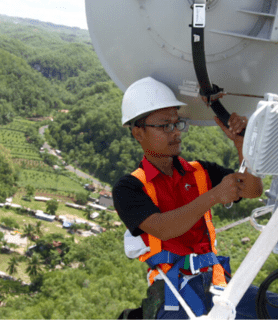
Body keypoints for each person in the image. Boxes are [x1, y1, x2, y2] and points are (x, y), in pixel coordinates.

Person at [112, 77, 263, 319]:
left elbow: (253, 190)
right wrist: (214, 195)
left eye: (177, 123)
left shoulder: (200, 171)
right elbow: (163, 229)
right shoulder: (129, 188)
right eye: (165, 126)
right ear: (138, 132)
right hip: (173, 291)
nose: (176, 133)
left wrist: (243, 147)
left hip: (217, 282)